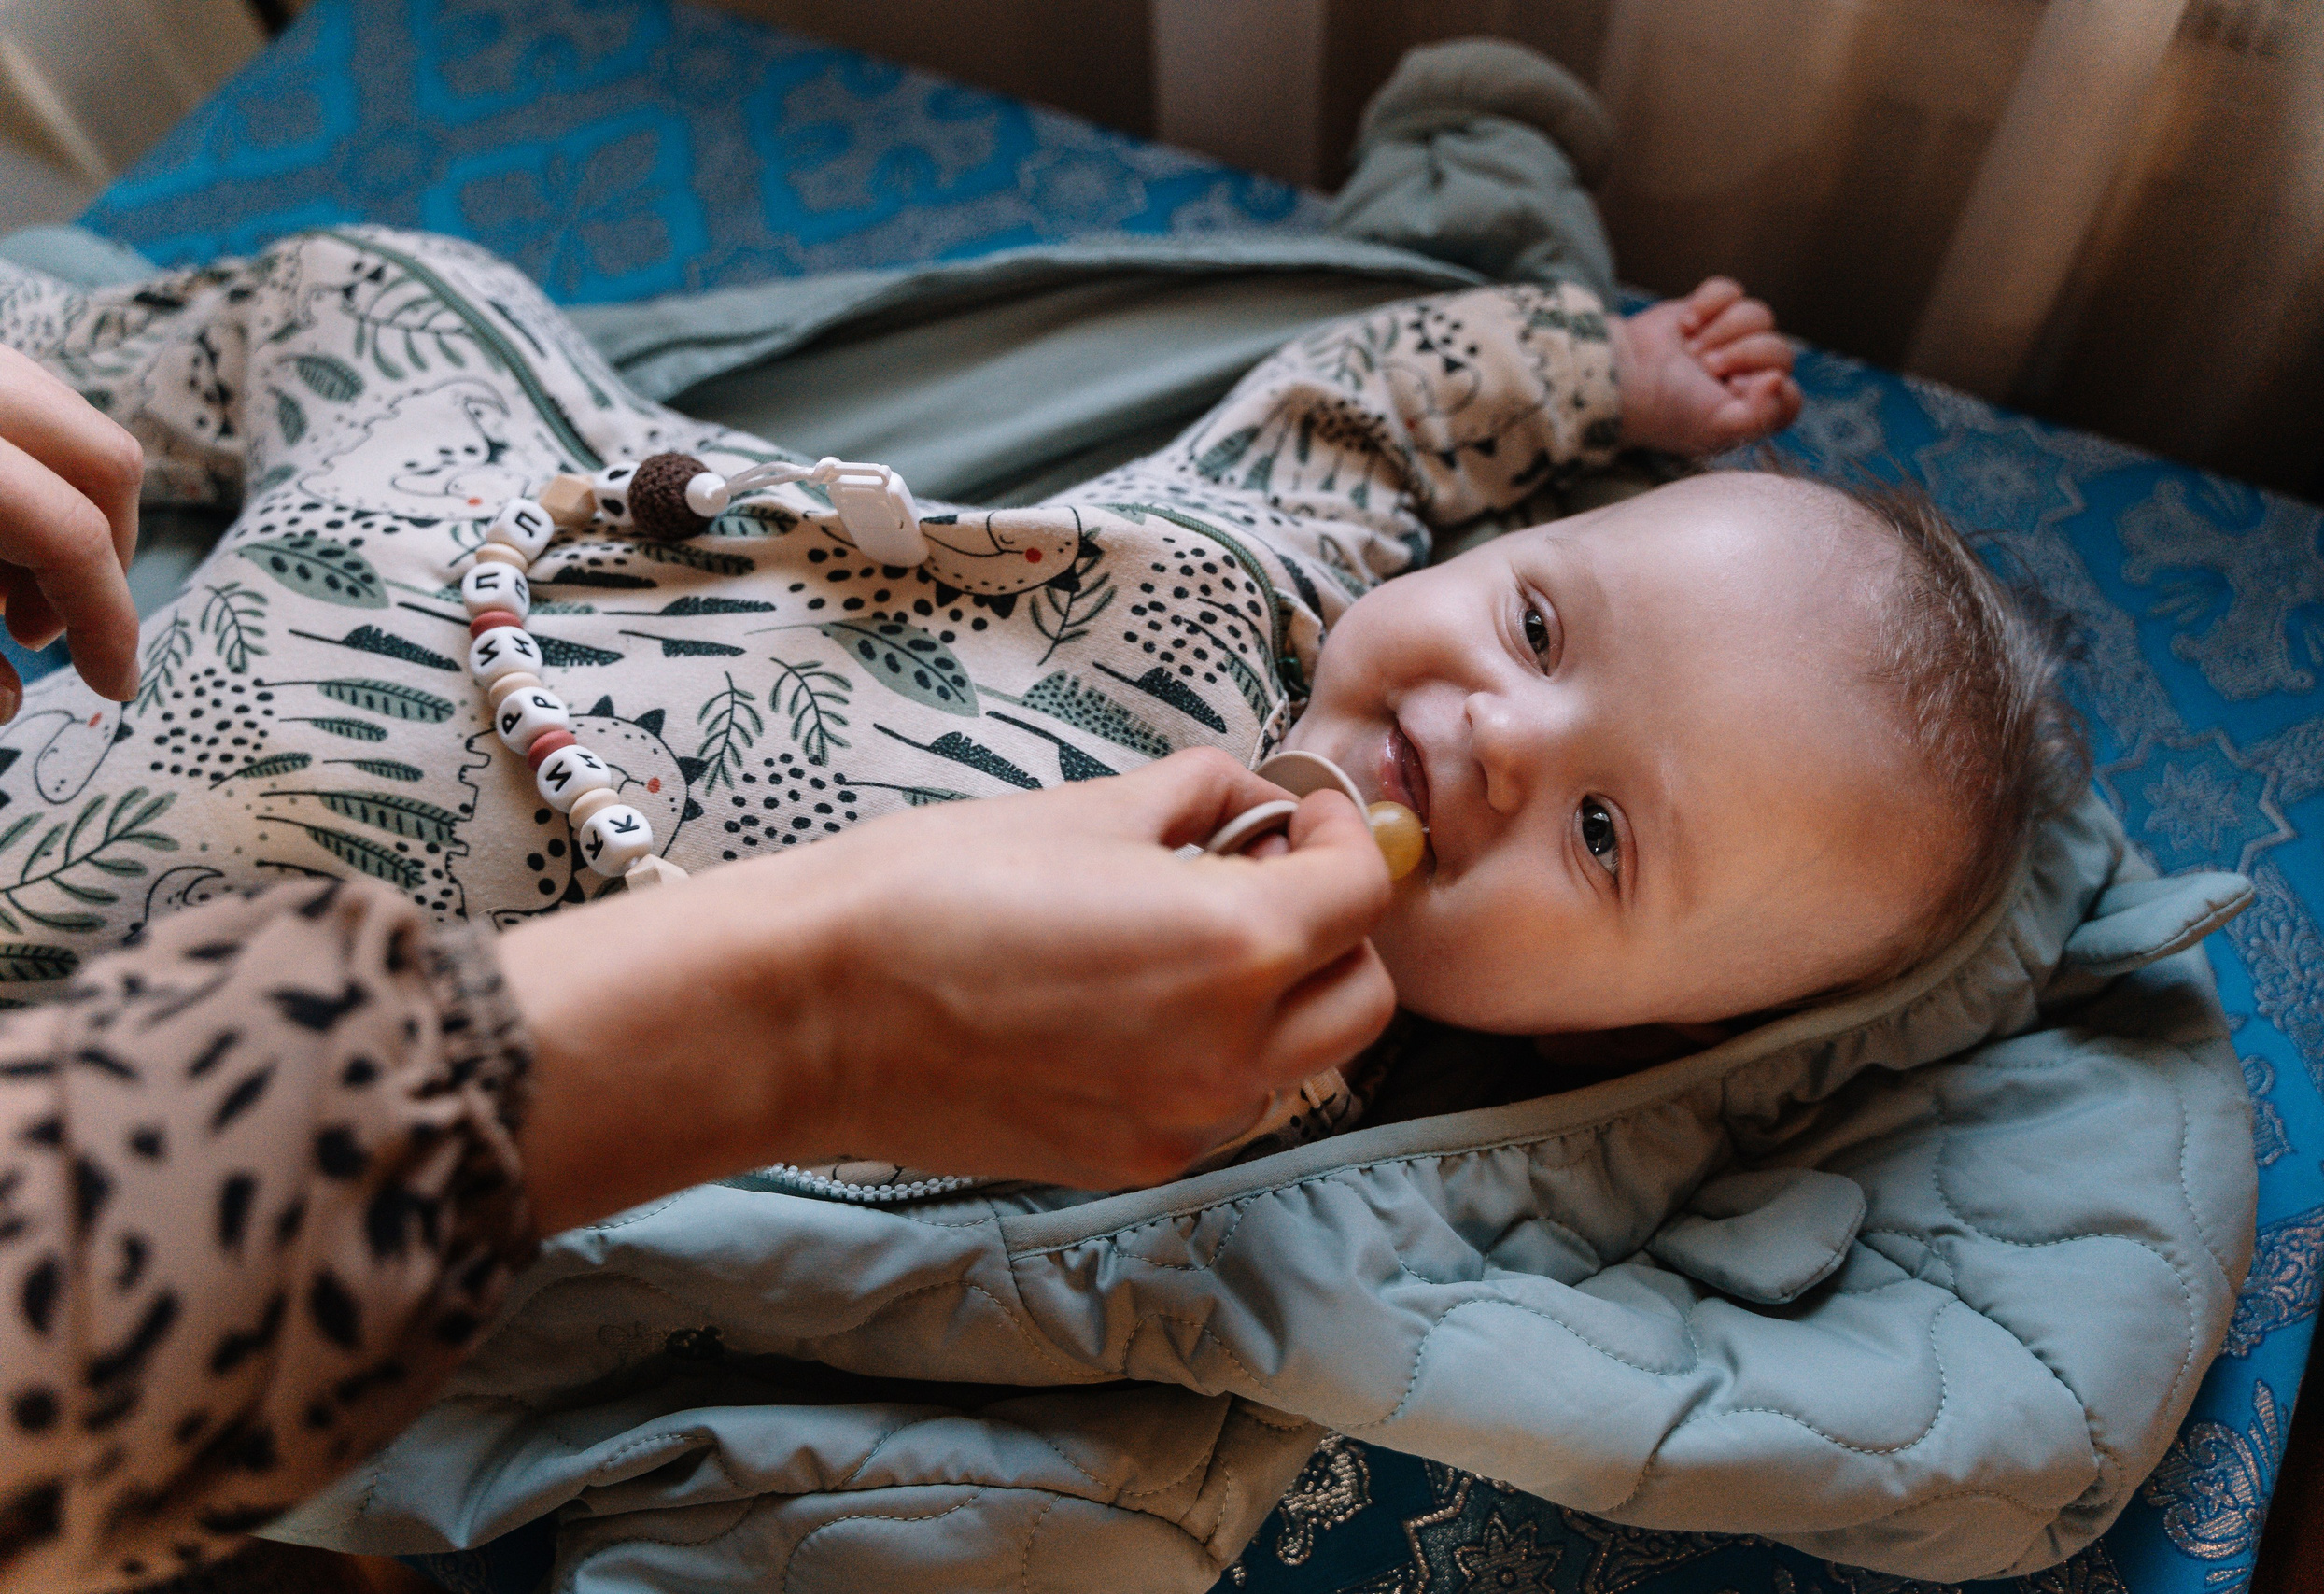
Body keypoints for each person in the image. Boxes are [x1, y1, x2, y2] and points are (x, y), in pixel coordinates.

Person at [0, 340, 1396, 1587]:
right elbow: (1371, 401)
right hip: (465, 486)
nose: (1507, 738)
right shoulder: (1254, 575)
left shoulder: (1223, 1251)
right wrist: (806, 1020)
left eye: (1603, 831)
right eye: (1534, 622)